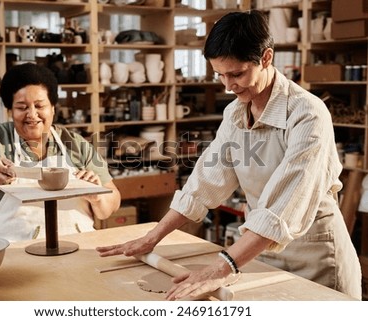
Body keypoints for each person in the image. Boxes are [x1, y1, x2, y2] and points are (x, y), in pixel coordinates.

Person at [97, 10, 362, 300]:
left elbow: (283, 207)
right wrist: (153, 237)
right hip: (258, 252)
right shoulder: (235, 113)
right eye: (220, 75)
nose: (227, 86)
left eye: (236, 74)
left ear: (266, 58)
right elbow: (203, 184)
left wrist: (220, 268)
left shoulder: (307, 114)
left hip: (315, 256)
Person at [0, 63, 121, 241]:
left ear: (53, 107)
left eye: (39, 106)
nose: (32, 114)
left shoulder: (75, 144)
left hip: (74, 249)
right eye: (22, 107)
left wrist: (98, 197)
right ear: (10, 111)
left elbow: (112, 203)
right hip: (8, 254)